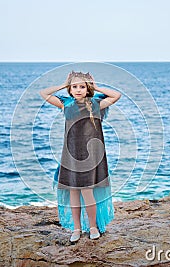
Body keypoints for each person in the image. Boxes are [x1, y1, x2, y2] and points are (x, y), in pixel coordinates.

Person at [39, 70, 121, 242]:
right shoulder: (66, 104)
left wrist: (96, 87)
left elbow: (116, 95)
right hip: (71, 155)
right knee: (73, 193)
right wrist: (63, 84)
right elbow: (43, 93)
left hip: (91, 157)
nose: (78, 90)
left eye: (82, 87)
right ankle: (76, 229)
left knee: (87, 191)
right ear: (70, 89)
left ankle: (92, 226)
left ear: (87, 88)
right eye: (74, 87)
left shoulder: (96, 104)